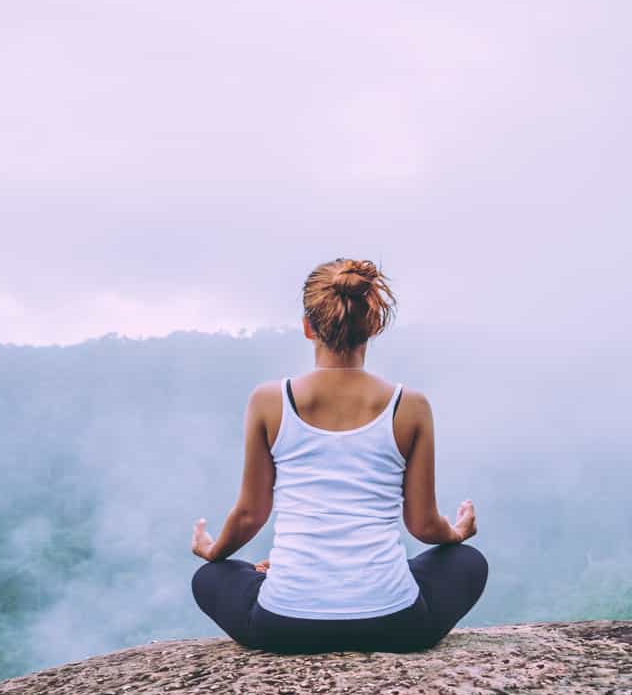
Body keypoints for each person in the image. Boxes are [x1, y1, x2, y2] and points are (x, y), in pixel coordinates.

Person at [190, 257, 488, 654]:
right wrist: (456, 533)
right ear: (375, 326)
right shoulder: (410, 405)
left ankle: (286, 578)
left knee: (210, 578)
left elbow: (249, 516)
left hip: (284, 626)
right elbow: (421, 524)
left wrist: (212, 551)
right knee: (468, 562)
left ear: (308, 327)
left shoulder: (268, 400)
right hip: (398, 624)